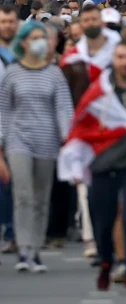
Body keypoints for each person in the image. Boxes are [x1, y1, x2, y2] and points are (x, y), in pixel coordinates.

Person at [60, 39, 126, 292]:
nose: (125, 62)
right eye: (121, 57)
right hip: (103, 163)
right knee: (104, 220)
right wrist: (77, 162)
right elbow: (81, 124)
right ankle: (106, 262)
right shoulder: (100, 91)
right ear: (114, 60)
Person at [0, 20, 73, 272]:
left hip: (47, 141)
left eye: (43, 37)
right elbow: (3, 110)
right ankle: (23, 249)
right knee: (23, 195)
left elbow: (64, 108)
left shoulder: (55, 73)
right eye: (34, 38)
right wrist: (1, 142)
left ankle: (36, 248)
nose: (40, 42)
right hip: (18, 141)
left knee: (42, 197)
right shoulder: (12, 72)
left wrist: (68, 137)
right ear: (23, 42)